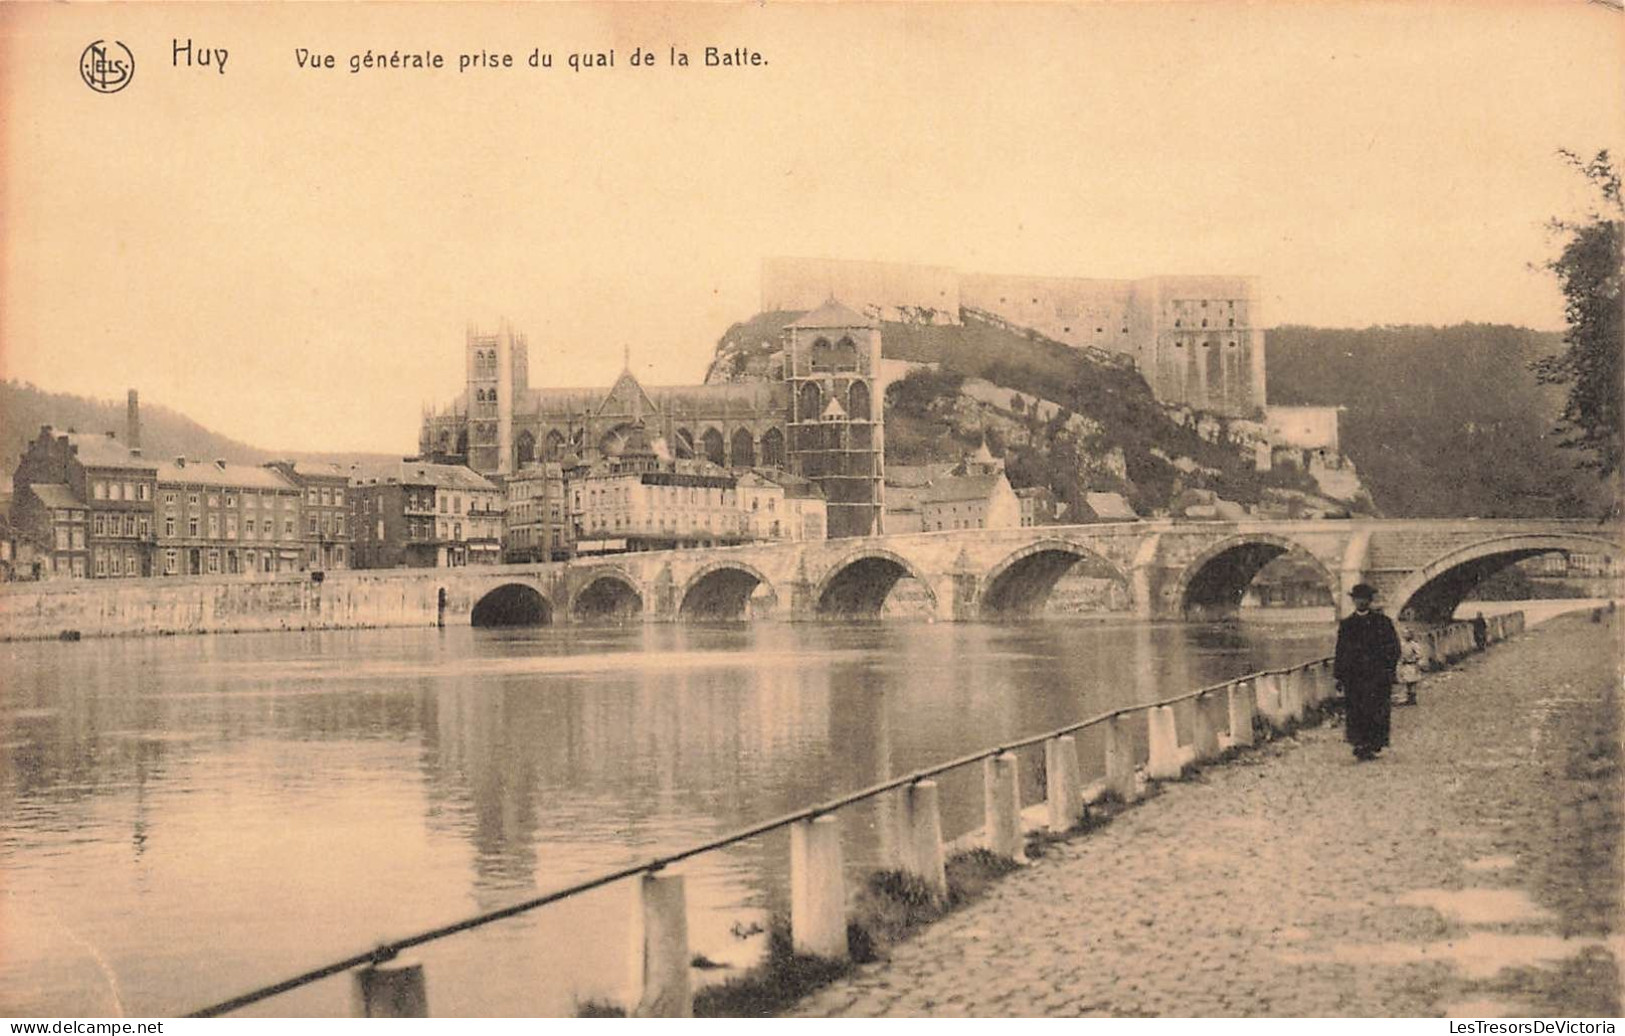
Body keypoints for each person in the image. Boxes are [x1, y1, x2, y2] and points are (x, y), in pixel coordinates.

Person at [1335, 583, 1401, 761]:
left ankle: (1373, 744)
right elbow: (1340, 651)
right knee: (1356, 711)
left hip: (1377, 676)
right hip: (1354, 678)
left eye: (1364, 598)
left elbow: (1394, 648)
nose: (1361, 602)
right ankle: (1359, 744)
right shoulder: (1347, 624)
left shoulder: (1383, 622)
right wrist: (1339, 676)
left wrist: (1388, 670)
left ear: (1369, 600)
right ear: (1353, 601)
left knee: (1376, 710)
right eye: (1357, 599)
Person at [1395, 629, 1424, 706]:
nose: (1405, 636)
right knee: (1408, 682)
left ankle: (1413, 699)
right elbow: (1401, 655)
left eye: (1407, 634)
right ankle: (1409, 698)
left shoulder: (1414, 645)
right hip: (1406, 665)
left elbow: (1419, 654)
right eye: (1404, 634)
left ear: (1410, 635)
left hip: (1412, 665)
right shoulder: (1403, 645)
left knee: (1413, 682)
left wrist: (1413, 659)